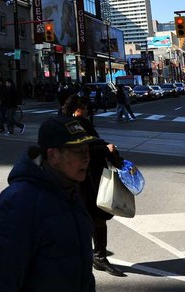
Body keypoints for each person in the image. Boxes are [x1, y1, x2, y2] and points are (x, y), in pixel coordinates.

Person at [0, 114, 97, 291]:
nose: (86, 158)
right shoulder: (17, 203)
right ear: (53, 156)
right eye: (78, 151)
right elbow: (1, 281)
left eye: (87, 150)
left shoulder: (71, 189)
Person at [63, 95, 126, 277]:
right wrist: (106, 149)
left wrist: (105, 146)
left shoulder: (75, 122)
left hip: (83, 175)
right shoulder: (76, 124)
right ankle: (98, 257)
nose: (89, 109)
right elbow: (85, 147)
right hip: (87, 177)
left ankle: (96, 256)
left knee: (91, 216)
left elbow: (92, 142)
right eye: (85, 107)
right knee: (96, 216)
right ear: (77, 108)